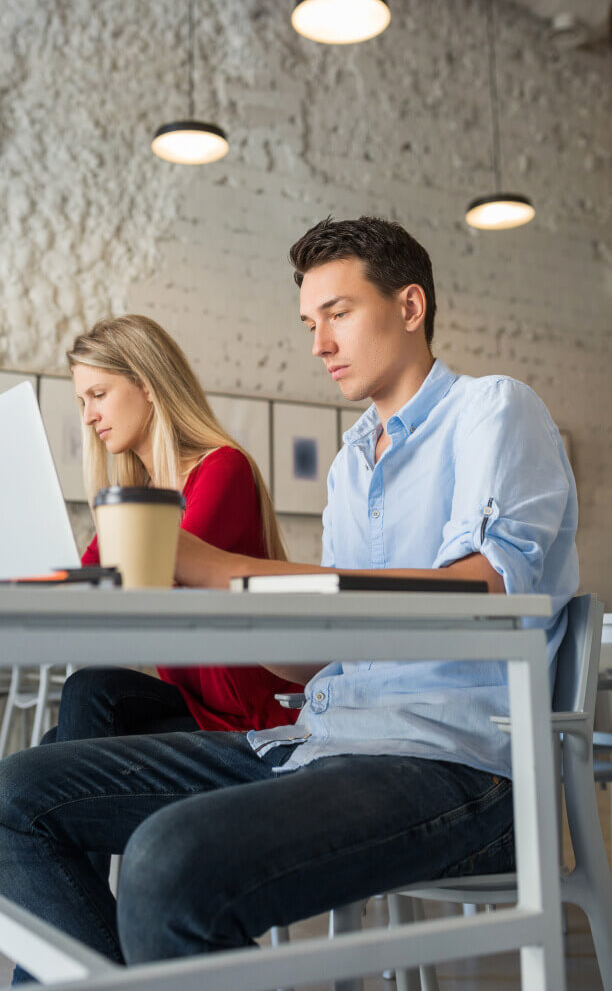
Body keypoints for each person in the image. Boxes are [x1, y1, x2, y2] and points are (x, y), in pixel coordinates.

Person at [0, 217, 578, 979]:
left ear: (410, 307)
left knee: (166, 862)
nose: (318, 344)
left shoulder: (493, 410)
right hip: (321, 742)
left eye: (337, 314)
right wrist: (221, 606)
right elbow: (313, 663)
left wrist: (214, 568)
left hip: (458, 764)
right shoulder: (349, 464)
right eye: (310, 323)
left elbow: (485, 590)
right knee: (16, 797)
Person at [49, 314, 301, 751]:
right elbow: (84, 586)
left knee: (90, 694)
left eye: (98, 395)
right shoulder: (136, 497)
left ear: (147, 384)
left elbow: (157, 584)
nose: (89, 416)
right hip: (194, 706)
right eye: (83, 401)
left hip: (242, 719)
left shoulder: (222, 468)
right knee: (51, 746)